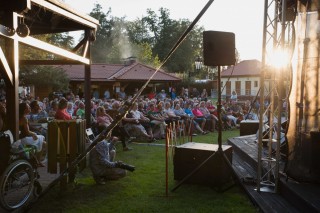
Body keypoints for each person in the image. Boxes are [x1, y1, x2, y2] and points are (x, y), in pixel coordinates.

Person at [19, 102, 46, 167]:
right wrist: (34, 134)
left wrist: (36, 131)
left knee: (43, 142)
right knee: (43, 140)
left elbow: (28, 127)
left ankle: (36, 160)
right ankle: (37, 161)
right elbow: (28, 132)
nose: (30, 108)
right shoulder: (24, 118)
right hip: (23, 140)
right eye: (28, 107)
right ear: (24, 109)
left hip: (22, 138)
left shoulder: (22, 117)